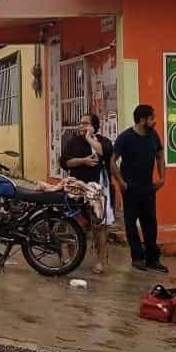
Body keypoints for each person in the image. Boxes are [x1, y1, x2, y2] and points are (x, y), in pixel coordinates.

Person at [111, 104, 168, 273]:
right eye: (152, 118)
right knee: (131, 223)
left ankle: (152, 259)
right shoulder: (125, 138)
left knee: (150, 223)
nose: (155, 121)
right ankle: (137, 257)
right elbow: (112, 161)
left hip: (148, 187)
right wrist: (121, 182)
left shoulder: (153, 136)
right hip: (130, 188)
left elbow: (160, 155)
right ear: (142, 120)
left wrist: (162, 178)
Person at [60, 113, 115, 274]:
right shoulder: (72, 142)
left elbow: (105, 152)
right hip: (77, 189)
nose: (81, 126)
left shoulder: (102, 141)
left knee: (99, 227)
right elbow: (65, 162)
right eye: (80, 123)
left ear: (94, 126)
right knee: (73, 223)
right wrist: (83, 161)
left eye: (86, 123)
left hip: (99, 190)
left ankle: (100, 261)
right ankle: (72, 259)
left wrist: (90, 138)